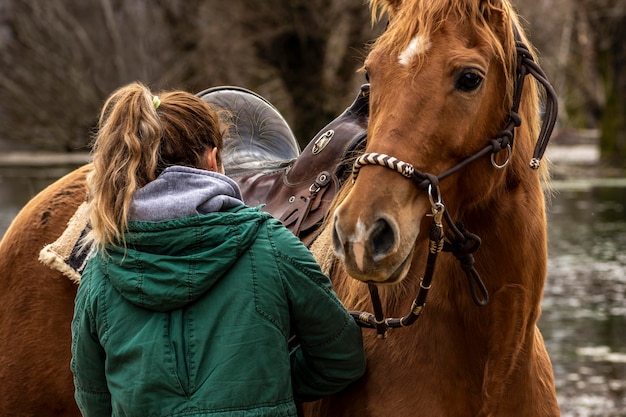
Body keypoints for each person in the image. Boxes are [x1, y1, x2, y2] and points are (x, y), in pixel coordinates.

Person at [71, 81, 366, 417]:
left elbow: (94, 399)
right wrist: (271, 382)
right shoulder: (271, 244)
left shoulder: (100, 269)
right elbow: (342, 358)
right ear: (213, 159)